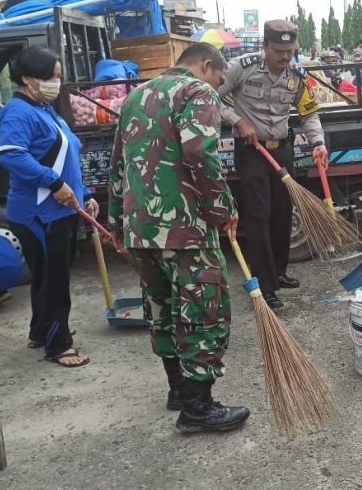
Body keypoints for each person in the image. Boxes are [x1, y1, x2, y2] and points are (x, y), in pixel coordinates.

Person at [108, 42, 248, 433]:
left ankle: (178, 392)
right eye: (220, 81)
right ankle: (198, 410)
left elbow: (117, 163)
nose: (218, 89)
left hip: (141, 231)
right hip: (183, 230)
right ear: (206, 66)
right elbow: (202, 152)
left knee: (164, 311)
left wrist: (117, 221)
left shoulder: (135, 96)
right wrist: (223, 209)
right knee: (203, 312)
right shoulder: (196, 91)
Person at [0, 46, 95, 368]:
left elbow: (66, 159)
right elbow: (11, 154)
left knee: (46, 275)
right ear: (27, 79)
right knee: (53, 280)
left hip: (62, 209)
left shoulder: (44, 109)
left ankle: (42, 330)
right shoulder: (18, 111)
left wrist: (86, 193)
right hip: (38, 213)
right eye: (51, 77)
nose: (56, 83)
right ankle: (59, 344)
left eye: (58, 77)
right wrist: (54, 184)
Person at [218, 20, 328, 310]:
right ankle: (264, 285)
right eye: (279, 50)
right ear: (265, 46)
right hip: (251, 152)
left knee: (282, 213)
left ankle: (279, 273)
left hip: (282, 151)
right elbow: (210, 98)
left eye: (290, 51)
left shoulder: (298, 75)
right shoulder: (241, 68)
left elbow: (310, 114)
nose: (284, 57)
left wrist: (318, 142)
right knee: (259, 214)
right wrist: (238, 121)